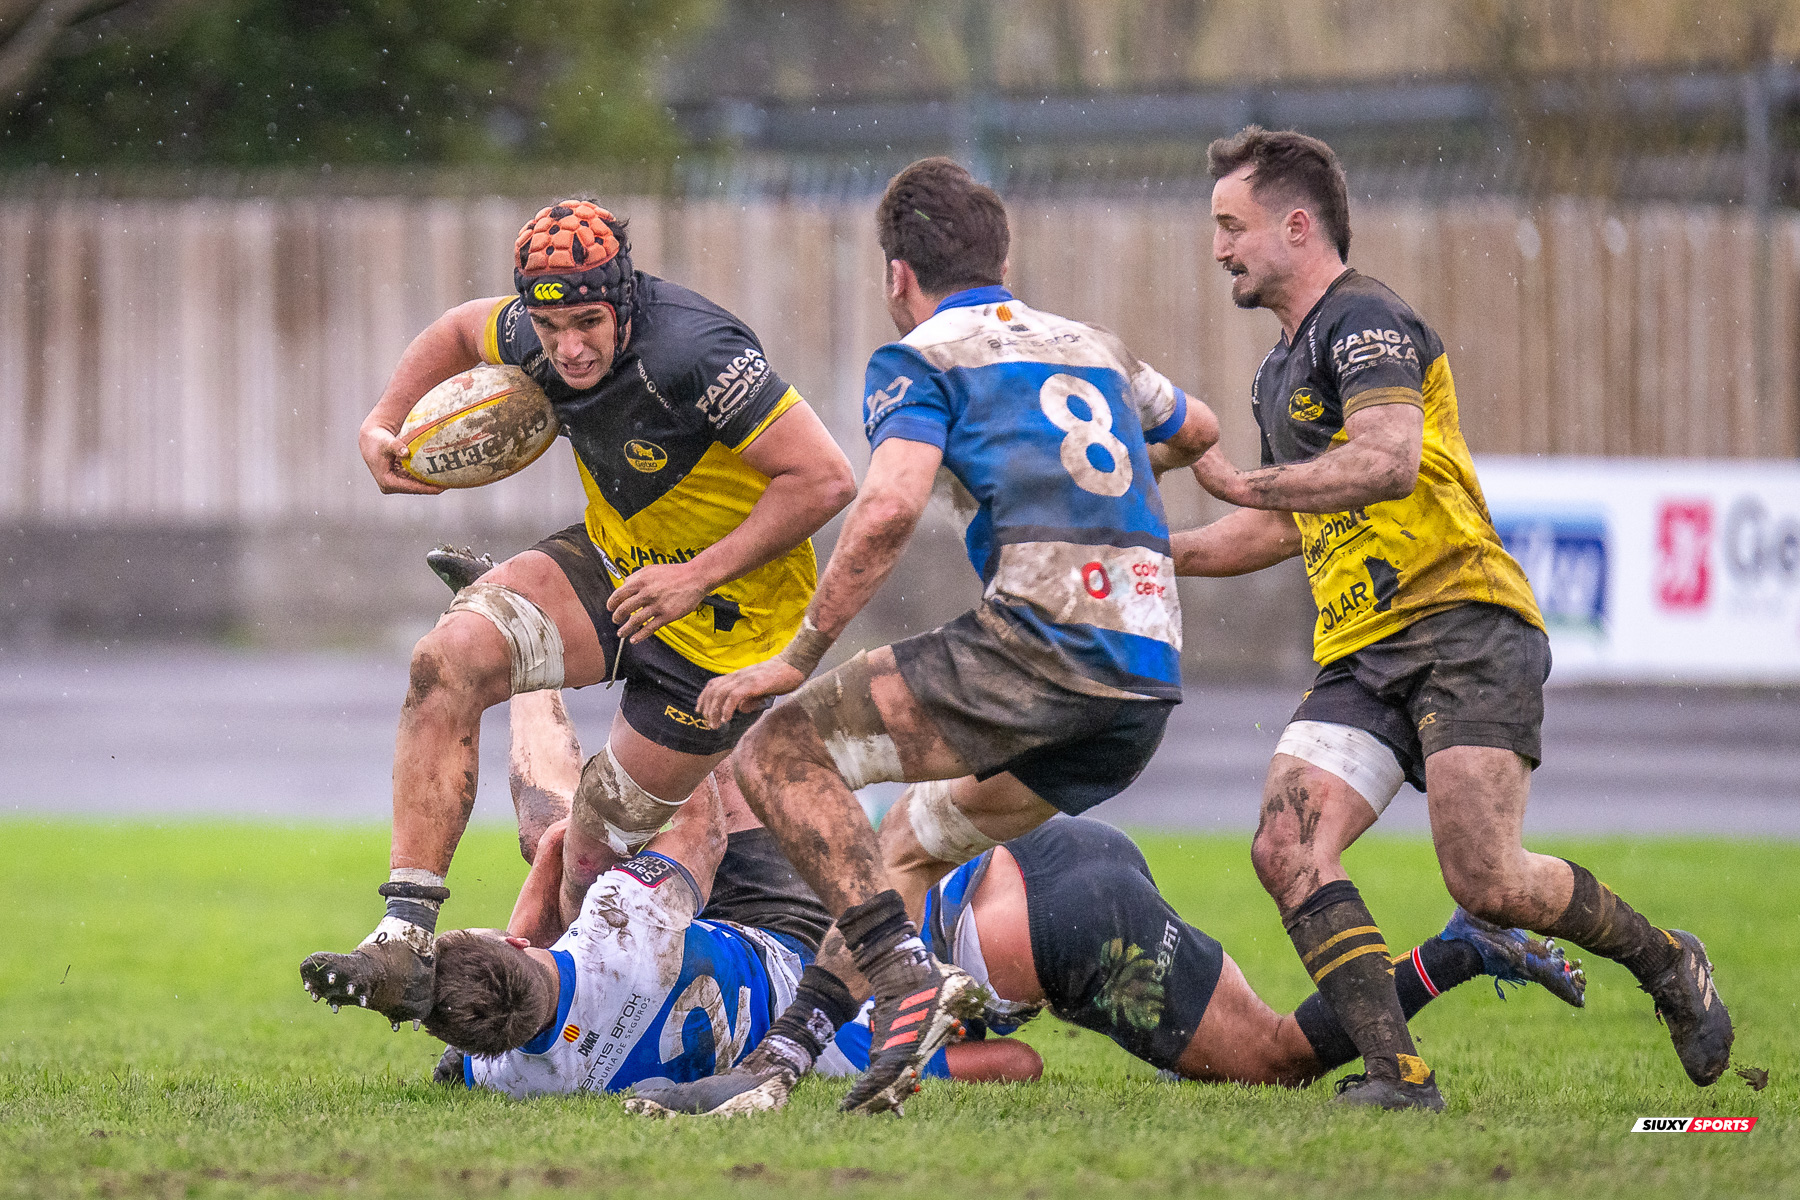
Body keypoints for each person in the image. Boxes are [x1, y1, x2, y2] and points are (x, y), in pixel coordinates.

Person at [648, 155, 1224, 1115]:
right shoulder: (1093, 345)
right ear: (1001, 255)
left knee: (779, 753)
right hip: (1145, 674)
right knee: (909, 842)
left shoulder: (921, 356)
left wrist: (795, 656)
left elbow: (885, 510)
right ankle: (777, 1069)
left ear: (896, 276)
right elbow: (1196, 430)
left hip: (1045, 644)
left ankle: (908, 980)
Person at [1171, 126, 1732, 1110]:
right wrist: (1155, 552)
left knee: (1490, 882)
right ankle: (1399, 1074)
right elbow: (1284, 521)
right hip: (1360, 654)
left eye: (1233, 225)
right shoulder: (1275, 375)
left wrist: (1232, 477)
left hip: (1464, 623)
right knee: (1284, 845)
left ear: (1296, 226)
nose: (1219, 247)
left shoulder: (1370, 320)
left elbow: (1386, 457)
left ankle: (1668, 960)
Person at [300, 199, 858, 1028]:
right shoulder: (537, 329)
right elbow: (459, 331)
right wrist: (383, 424)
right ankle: (405, 939)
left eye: (589, 323)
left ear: (624, 300)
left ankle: (530, 1003)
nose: (569, 348)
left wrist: (694, 578)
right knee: (443, 660)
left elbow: (826, 480)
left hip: (724, 623)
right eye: (550, 326)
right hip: (616, 561)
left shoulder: (696, 353)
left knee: (588, 845)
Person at [626, 813, 1585, 1116]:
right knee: (1237, 1049)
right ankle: (1463, 944)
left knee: (1281, 1060)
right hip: (1064, 853)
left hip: (1047, 928)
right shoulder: (804, 910)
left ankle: (1460, 950)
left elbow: (1018, 1061)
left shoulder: (859, 1008)